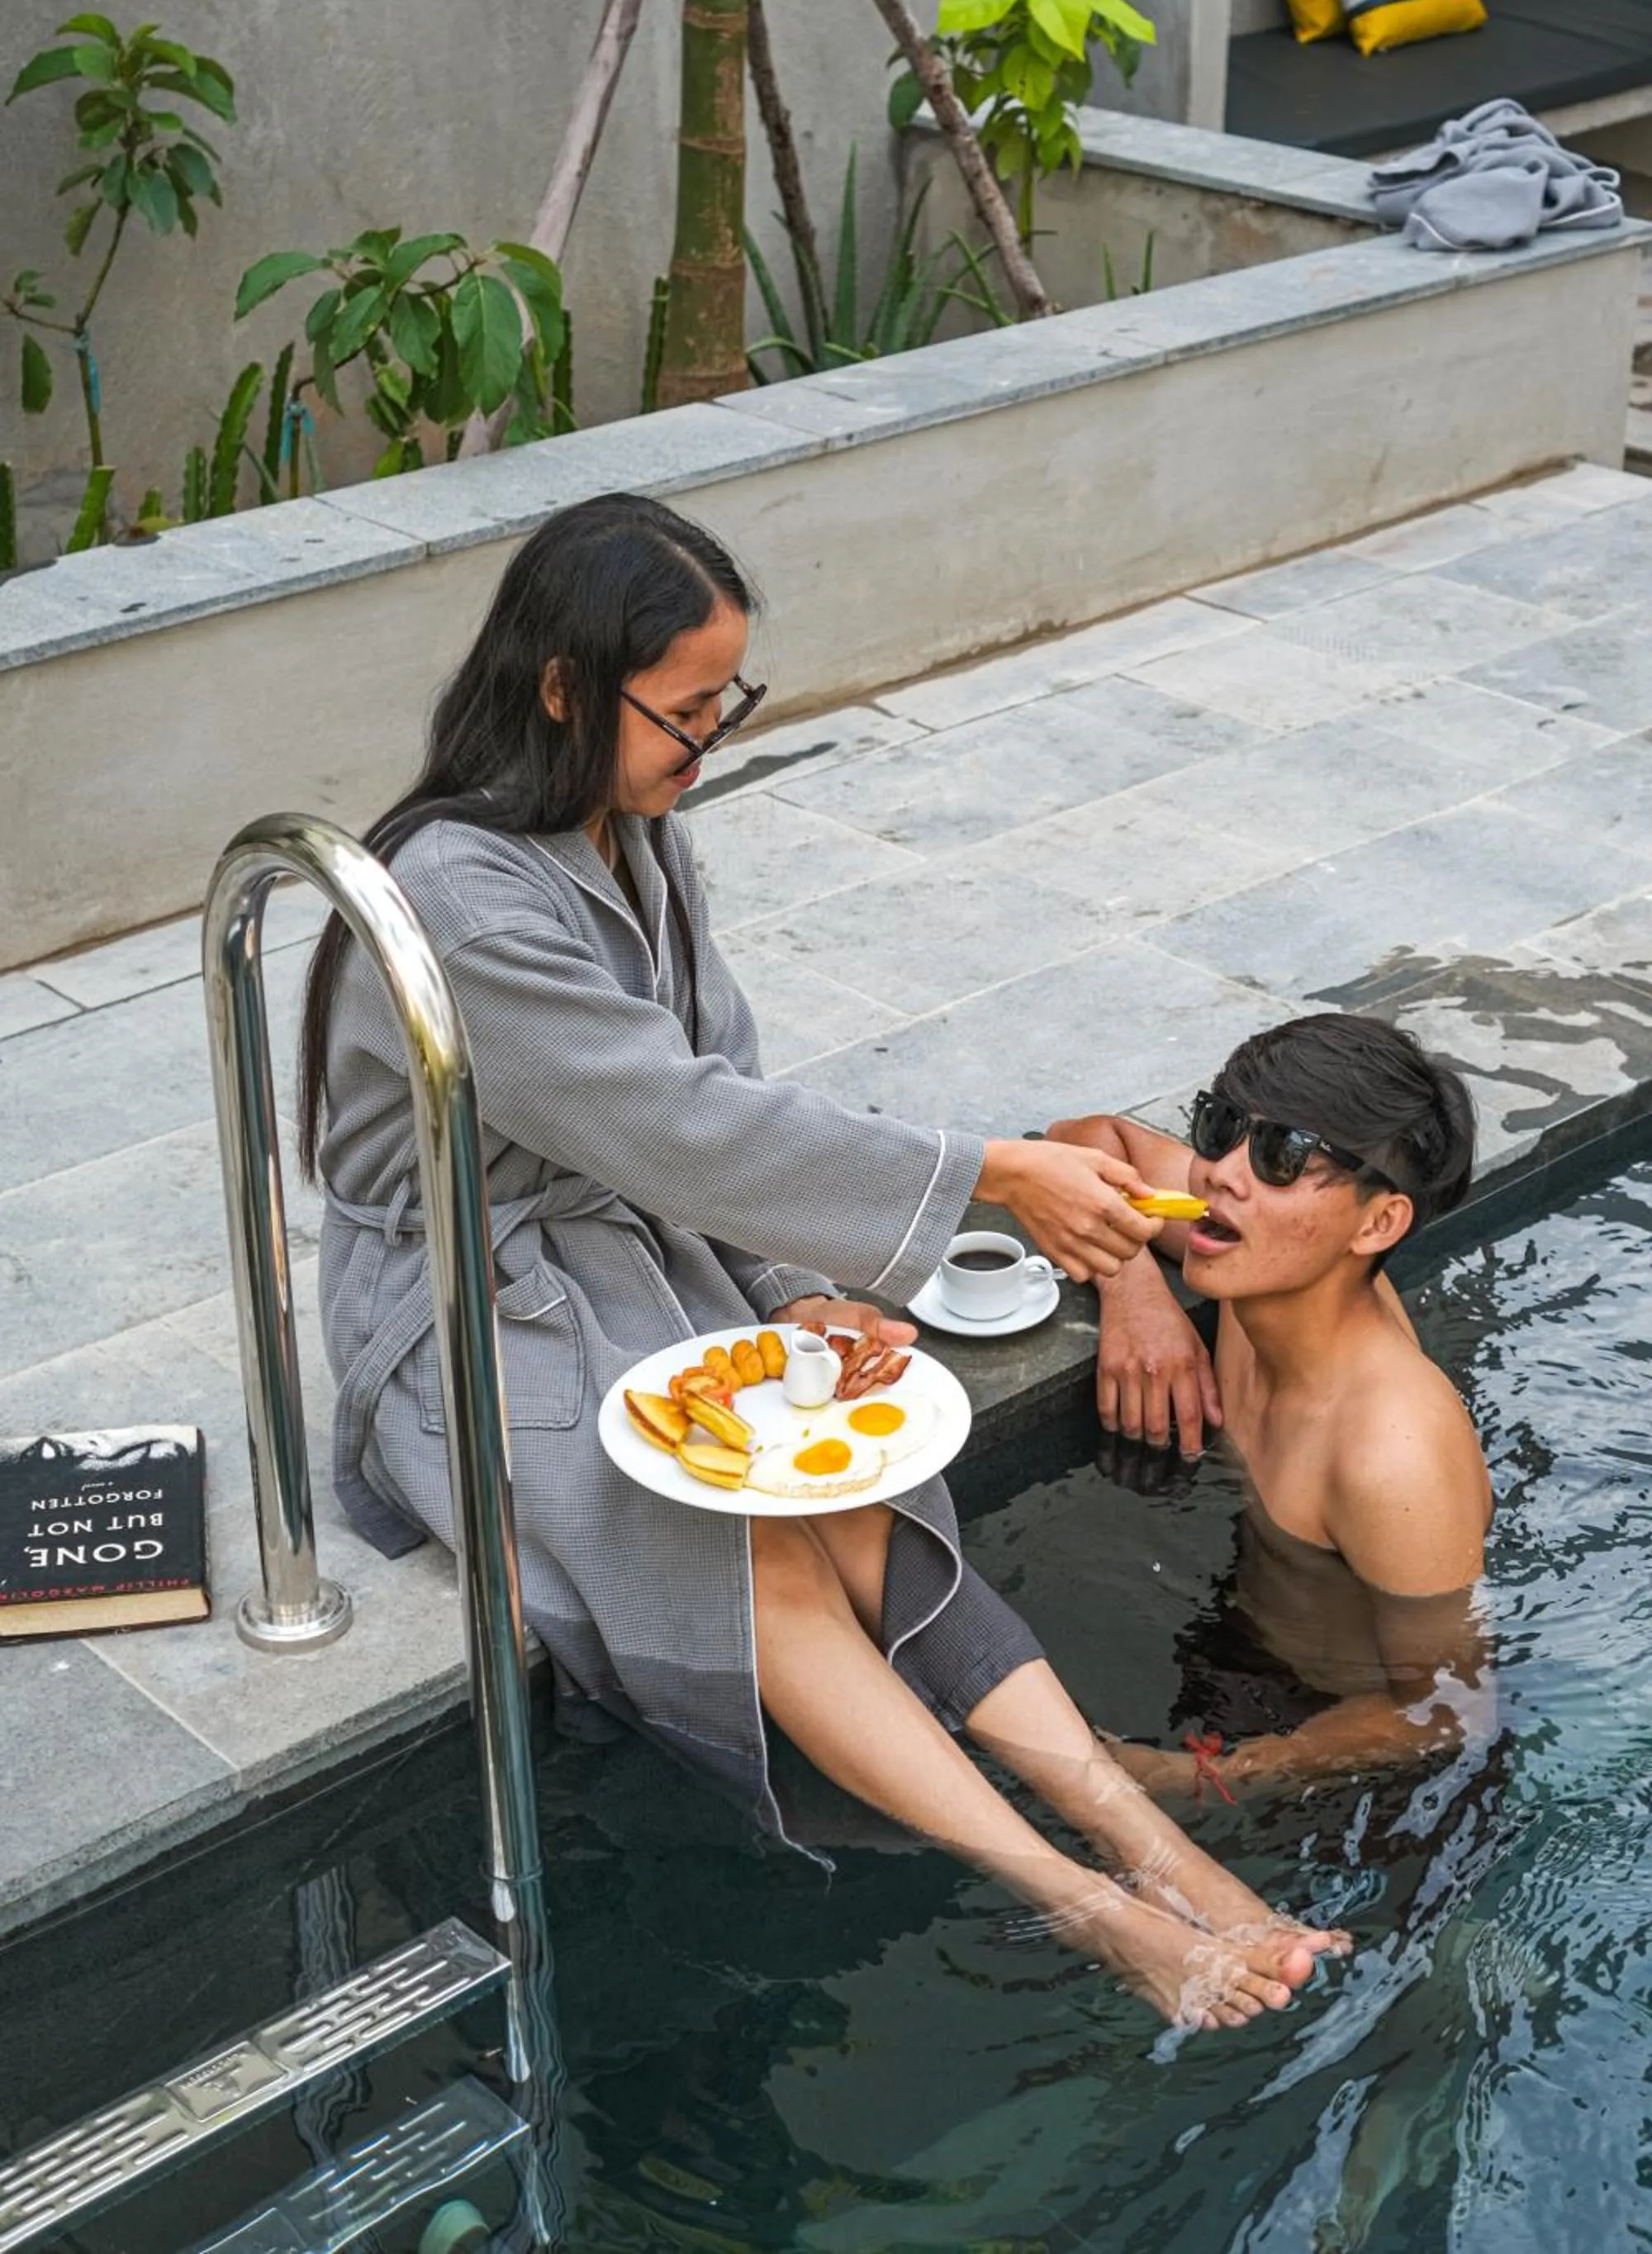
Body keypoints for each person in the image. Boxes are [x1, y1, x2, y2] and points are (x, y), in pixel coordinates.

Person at [302, 493, 1346, 2028]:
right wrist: (989, 1172)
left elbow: (713, 1095)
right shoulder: (459, 898)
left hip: (640, 1238)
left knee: (858, 1482)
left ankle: (1155, 1845)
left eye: (728, 703)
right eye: (687, 710)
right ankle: (1089, 1909)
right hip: (474, 1300)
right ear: (562, 686)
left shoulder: (634, 836)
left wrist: (801, 1290)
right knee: (742, 1544)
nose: (708, 744)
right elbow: (675, 1125)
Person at [1048, 1013, 1493, 1800]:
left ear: (1378, 1222)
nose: (1221, 1174)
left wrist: (1202, 1780)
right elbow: (1083, 1140)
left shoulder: (1393, 1458)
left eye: (1282, 1156)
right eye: (1221, 1125)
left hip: (1340, 1757)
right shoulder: (1262, 1265)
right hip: (1238, 1637)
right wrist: (1133, 1288)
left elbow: (1452, 1710)